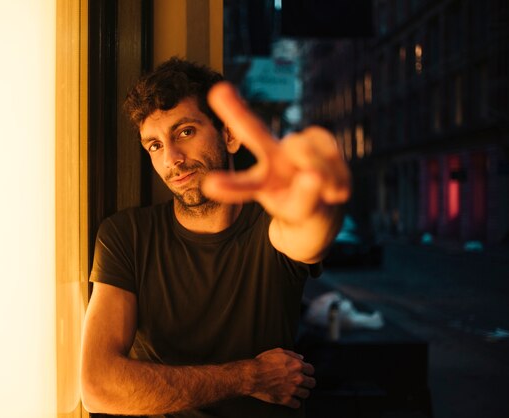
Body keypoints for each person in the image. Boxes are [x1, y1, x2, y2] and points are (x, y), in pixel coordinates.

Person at [80, 58, 351, 418]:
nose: (171, 159)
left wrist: (319, 200)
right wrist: (250, 377)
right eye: (155, 146)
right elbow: (98, 387)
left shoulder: (270, 227)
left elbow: (308, 232)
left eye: (185, 132)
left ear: (229, 135)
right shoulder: (125, 235)